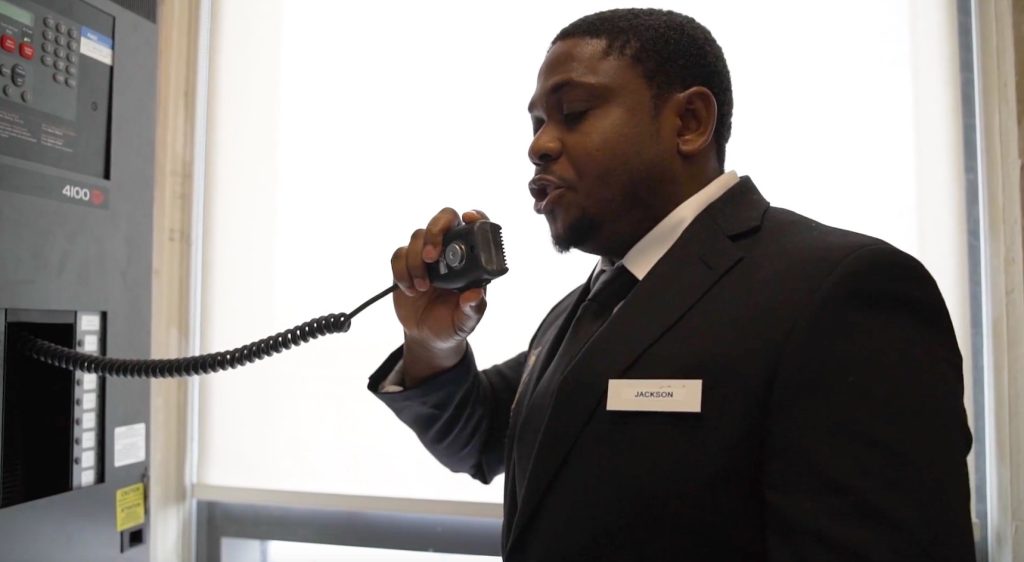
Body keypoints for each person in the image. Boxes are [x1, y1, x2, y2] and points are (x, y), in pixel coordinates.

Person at [367, 8, 976, 561]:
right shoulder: (577, 313)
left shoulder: (843, 292)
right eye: (536, 123)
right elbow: (478, 442)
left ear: (689, 121)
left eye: (573, 112)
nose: (539, 145)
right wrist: (433, 345)